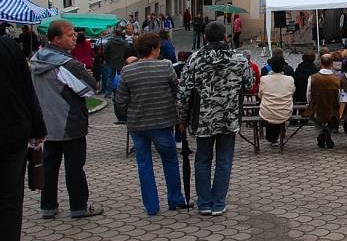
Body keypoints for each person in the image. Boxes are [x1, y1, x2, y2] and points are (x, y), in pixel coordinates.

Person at [177, 22, 254, 216]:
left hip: (203, 118)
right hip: (229, 116)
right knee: (224, 160)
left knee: (202, 159)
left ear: (204, 37)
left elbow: (184, 92)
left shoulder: (194, 59)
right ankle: (218, 203)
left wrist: (181, 118)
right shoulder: (239, 59)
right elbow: (250, 83)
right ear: (226, 37)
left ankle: (204, 203)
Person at [30, 20, 103, 218]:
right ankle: (79, 206)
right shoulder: (66, 63)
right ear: (56, 39)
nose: (74, 38)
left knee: (50, 166)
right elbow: (90, 88)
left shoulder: (36, 60)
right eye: (70, 35)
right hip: (69, 121)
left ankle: (48, 206)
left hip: (46, 123)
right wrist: (86, 76)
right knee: (74, 166)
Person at [115, 33, 187, 216]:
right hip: (162, 122)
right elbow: (176, 91)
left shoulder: (127, 71)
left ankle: (151, 206)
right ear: (154, 49)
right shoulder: (165, 66)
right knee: (170, 161)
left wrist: (128, 115)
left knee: (144, 164)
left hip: (137, 125)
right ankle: (175, 199)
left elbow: (121, 100)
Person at [0, 35, 46, 241]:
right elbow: (27, 90)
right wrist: (38, 129)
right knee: (9, 196)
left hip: (11, 132)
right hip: (11, 131)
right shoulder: (8, 46)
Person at [257, 57, 295, 147]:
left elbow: (260, 95)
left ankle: (272, 138)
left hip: (268, 111)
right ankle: (274, 138)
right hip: (285, 111)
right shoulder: (290, 79)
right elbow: (292, 92)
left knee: (270, 110)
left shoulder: (264, 79)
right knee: (277, 110)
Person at [306, 53, 340, 149]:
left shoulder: (312, 77)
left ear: (321, 63)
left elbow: (308, 93)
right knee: (335, 118)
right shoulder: (336, 79)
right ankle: (327, 132)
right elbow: (339, 96)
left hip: (317, 107)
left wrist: (310, 104)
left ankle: (321, 133)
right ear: (332, 64)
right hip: (331, 107)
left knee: (315, 118)